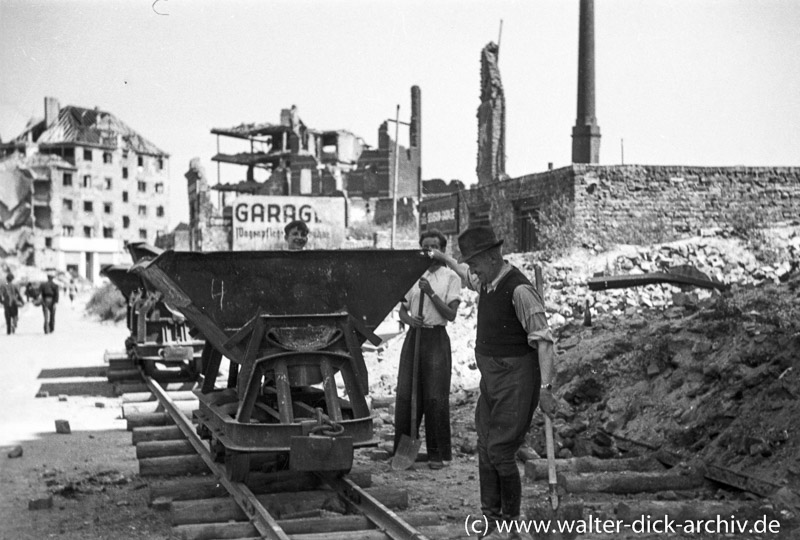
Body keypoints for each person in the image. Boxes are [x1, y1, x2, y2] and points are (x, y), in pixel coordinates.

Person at [430, 225, 556, 540]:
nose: (471, 273)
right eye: (470, 266)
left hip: (518, 380)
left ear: (490, 257)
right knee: (485, 447)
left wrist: (546, 391)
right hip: (491, 379)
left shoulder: (519, 291)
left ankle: (511, 523)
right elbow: (461, 270)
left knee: (500, 451)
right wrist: (441, 256)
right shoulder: (485, 279)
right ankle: (492, 518)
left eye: (475, 265)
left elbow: (544, 342)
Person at [393, 230, 461, 470]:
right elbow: (401, 310)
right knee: (406, 393)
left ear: (442, 250)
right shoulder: (411, 275)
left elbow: (451, 315)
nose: (429, 252)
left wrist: (430, 292)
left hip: (436, 340)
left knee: (435, 396)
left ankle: (436, 454)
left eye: (434, 247)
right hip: (414, 338)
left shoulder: (451, 277)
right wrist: (410, 321)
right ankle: (401, 452)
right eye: (425, 247)